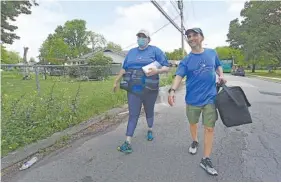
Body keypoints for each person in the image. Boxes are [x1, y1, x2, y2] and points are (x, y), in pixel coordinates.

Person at [167, 28, 226, 176]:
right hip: (193, 100)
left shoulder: (212, 53)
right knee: (193, 123)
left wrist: (221, 75)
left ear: (202, 37)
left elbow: (218, 65)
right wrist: (172, 90)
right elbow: (178, 76)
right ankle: (195, 141)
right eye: (188, 36)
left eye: (194, 35)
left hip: (210, 98)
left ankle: (205, 158)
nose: (191, 38)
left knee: (209, 128)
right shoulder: (186, 60)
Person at [113, 29, 170, 154]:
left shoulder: (155, 51)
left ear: (148, 39)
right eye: (139, 36)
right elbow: (124, 68)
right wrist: (116, 81)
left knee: (149, 110)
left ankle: (150, 129)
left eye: (143, 37)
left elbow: (166, 67)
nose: (141, 39)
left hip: (150, 88)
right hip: (134, 89)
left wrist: (157, 71)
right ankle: (127, 142)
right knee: (133, 114)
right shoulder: (132, 52)